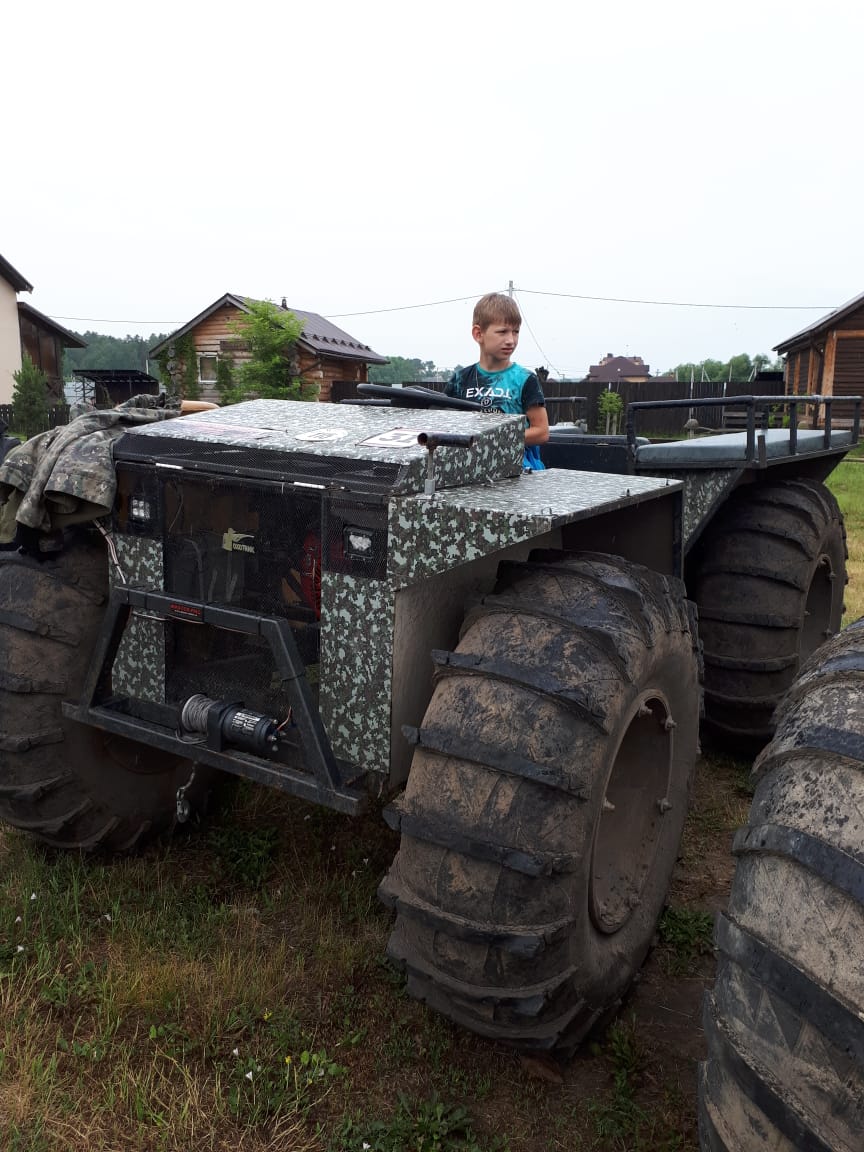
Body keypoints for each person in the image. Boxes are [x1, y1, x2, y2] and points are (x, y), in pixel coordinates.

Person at [445, 293, 550, 471]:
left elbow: (541, 431)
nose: (511, 340)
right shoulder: (460, 379)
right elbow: (443, 426)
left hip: (517, 468)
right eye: (502, 332)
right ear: (478, 334)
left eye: (515, 332)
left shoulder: (525, 379)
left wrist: (493, 439)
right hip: (468, 467)